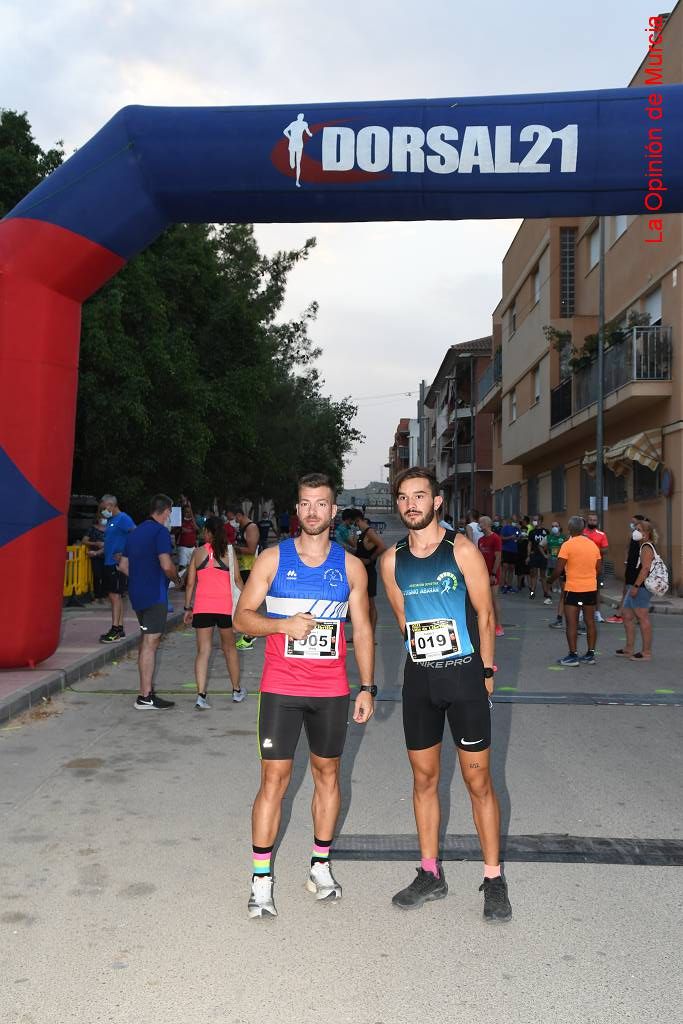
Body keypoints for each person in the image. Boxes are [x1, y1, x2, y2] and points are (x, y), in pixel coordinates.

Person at [234, 473, 375, 919]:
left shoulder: (351, 567)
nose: (313, 512)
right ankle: (260, 880)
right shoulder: (273, 560)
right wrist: (281, 626)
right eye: (305, 504)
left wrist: (367, 686)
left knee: (328, 777)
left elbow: (365, 631)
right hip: (280, 688)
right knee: (273, 781)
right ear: (296, 510)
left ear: (335, 511)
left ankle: (319, 866)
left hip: (331, 690)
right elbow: (241, 618)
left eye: (321, 504)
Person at [379, 467, 512, 923]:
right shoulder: (391, 560)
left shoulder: (461, 550)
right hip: (420, 682)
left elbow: (484, 611)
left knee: (479, 782)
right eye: (403, 497)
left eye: (420, 496)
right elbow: (403, 621)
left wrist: (487, 672)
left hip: (465, 681)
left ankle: (493, 878)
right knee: (424, 781)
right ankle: (430, 872)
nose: (411, 504)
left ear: (437, 502)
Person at [117, 494, 181, 709]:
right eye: (170, 512)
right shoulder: (160, 532)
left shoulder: (135, 533)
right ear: (165, 511)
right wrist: (176, 579)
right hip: (155, 595)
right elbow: (166, 565)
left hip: (137, 594)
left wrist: (140, 578)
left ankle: (145, 691)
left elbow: (123, 566)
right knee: (151, 644)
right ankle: (145, 696)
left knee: (146, 641)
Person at [183, 516, 246, 707]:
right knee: (230, 649)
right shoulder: (229, 552)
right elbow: (237, 581)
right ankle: (236, 691)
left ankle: (201, 695)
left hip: (203, 608)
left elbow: (191, 583)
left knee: (203, 651)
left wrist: (188, 607)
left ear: (208, 532)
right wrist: (246, 605)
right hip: (225, 608)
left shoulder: (197, 553)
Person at [549, 516, 601, 666]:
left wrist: (549, 580)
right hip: (590, 588)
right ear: (583, 528)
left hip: (573, 589)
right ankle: (590, 654)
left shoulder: (567, 545)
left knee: (572, 623)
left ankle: (573, 655)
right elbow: (598, 568)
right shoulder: (592, 545)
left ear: (570, 529)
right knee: (590, 621)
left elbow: (558, 569)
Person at [617, 519, 657, 661]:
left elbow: (645, 568)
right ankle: (629, 648)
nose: (636, 532)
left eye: (639, 530)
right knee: (627, 615)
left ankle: (646, 653)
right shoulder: (641, 546)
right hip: (634, 586)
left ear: (647, 533)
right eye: (636, 529)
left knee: (642, 617)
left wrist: (635, 587)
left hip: (641, 587)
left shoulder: (646, 547)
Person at [99, 494, 136, 643]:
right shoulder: (111, 520)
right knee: (114, 596)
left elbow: (135, 533)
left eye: (104, 508)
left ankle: (115, 629)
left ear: (110, 505)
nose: (103, 511)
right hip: (108, 562)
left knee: (115, 596)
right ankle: (119, 629)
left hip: (117, 564)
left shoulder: (123, 518)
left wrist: (125, 553)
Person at [606, 515, 648, 624]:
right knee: (629, 594)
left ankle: (622, 615)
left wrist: (637, 584)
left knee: (631, 594)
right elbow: (628, 550)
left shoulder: (644, 541)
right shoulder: (634, 537)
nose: (632, 525)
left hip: (636, 573)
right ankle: (630, 616)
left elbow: (645, 564)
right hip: (631, 571)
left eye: (635, 524)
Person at [230, 507, 261, 652]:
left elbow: (250, 549)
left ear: (239, 515)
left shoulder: (251, 527)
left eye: (233, 518)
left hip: (249, 569)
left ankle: (249, 635)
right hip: (241, 568)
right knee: (241, 602)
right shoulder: (242, 528)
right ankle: (246, 632)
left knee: (248, 604)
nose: (233, 521)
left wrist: (232, 548)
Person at [354, 513, 387, 634]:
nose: (356, 526)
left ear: (359, 520)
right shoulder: (362, 534)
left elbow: (382, 546)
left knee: (370, 604)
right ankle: (363, 632)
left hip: (368, 572)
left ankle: (371, 634)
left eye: (356, 523)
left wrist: (370, 559)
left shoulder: (369, 533)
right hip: (361, 571)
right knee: (361, 604)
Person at [478, 516, 504, 637]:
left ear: (487, 524)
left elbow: (498, 557)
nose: (479, 524)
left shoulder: (495, 538)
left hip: (493, 574)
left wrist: (493, 573)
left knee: (493, 599)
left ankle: (498, 626)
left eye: (481, 522)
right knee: (484, 601)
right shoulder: (481, 540)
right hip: (482, 574)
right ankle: (488, 624)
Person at [583, 512, 609, 623]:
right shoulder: (581, 533)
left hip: (597, 567)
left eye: (594, 520)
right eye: (590, 520)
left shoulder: (601, 534)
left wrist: (592, 548)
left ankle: (597, 613)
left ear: (597, 522)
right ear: (587, 521)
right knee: (582, 590)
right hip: (582, 566)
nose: (592, 522)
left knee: (596, 590)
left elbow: (605, 549)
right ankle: (581, 612)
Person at [83, 504, 107, 602]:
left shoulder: (111, 528)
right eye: (102, 517)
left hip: (107, 555)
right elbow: (84, 540)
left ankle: (105, 594)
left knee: (106, 575)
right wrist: (95, 543)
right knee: (97, 575)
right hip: (95, 555)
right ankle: (97, 596)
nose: (103, 519)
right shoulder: (92, 529)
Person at [527, 515, 552, 604]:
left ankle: (546, 592)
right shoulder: (532, 532)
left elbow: (549, 543)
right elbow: (529, 544)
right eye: (533, 520)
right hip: (534, 555)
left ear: (541, 521)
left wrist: (548, 553)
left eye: (536, 520)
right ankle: (532, 592)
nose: (534, 521)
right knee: (533, 574)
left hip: (543, 556)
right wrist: (528, 555)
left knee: (543, 575)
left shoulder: (546, 532)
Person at [174, 495, 198, 587]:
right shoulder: (180, 521)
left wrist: (191, 510)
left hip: (192, 547)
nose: (188, 513)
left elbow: (196, 529)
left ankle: (187, 583)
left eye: (189, 512)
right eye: (186, 512)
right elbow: (174, 531)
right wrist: (180, 529)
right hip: (183, 547)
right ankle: (181, 582)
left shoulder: (192, 521)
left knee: (191, 567)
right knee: (182, 567)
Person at [500, 517, 520, 593]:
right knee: (505, 567)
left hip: (514, 551)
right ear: (511, 521)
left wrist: (518, 537)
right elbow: (501, 538)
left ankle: (509, 585)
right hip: (506, 550)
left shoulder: (517, 529)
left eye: (516, 521)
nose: (515, 522)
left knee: (512, 568)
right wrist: (510, 537)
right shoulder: (505, 528)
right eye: (514, 520)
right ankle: (503, 585)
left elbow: (518, 538)